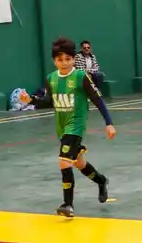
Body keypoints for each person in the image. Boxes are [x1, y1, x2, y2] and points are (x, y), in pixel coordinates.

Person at [20, 37, 115, 218]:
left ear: (73, 59)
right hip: (61, 126)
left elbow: (98, 100)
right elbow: (49, 102)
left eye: (68, 59)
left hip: (75, 125)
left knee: (63, 161)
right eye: (60, 59)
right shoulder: (51, 78)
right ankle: (101, 180)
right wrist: (31, 100)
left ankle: (67, 204)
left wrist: (109, 123)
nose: (64, 63)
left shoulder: (80, 77)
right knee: (79, 163)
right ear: (54, 61)